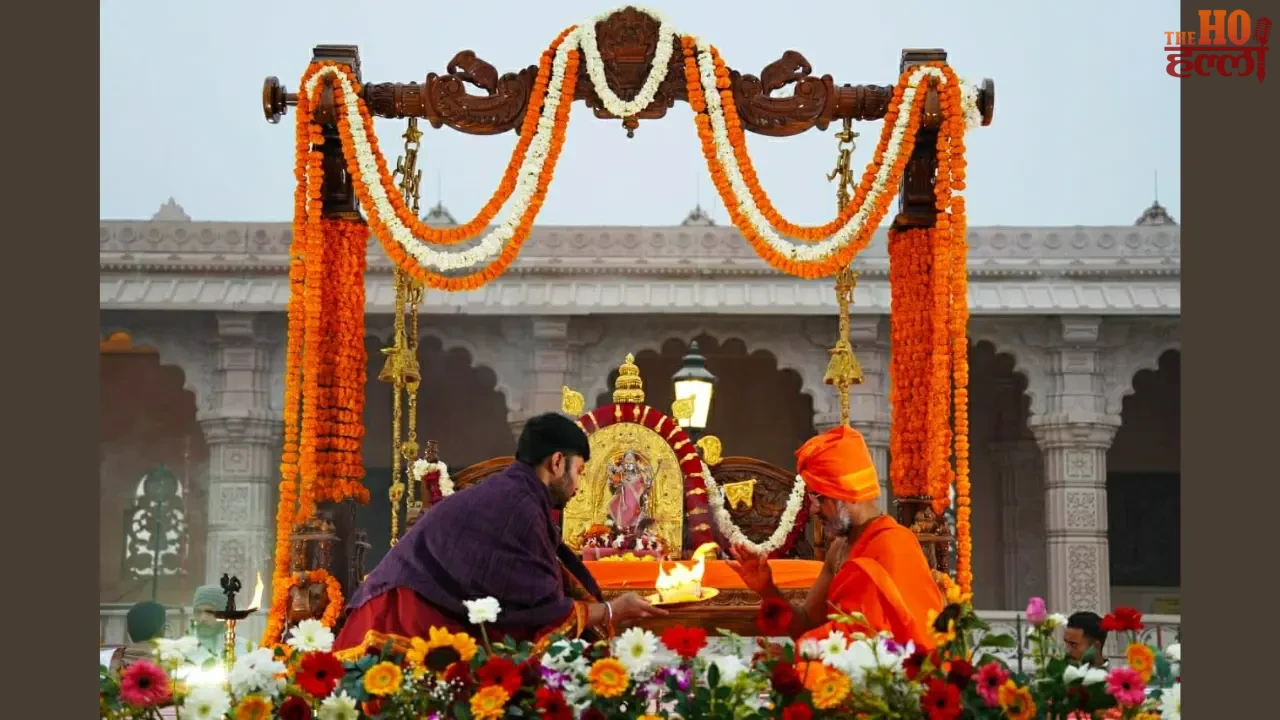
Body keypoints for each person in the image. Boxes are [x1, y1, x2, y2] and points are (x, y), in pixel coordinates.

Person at [336, 412, 665, 653]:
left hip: (403, 615)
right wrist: (613, 610)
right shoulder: (518, 507)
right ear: (556, 463)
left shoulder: (513, 494)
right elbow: (535, 607)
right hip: (395, 626)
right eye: (579, 471)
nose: (579, 486)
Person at [727, 425, 945, 649]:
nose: (813, 510)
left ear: (847, 491)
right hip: (840, 676)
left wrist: (796, 659)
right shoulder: (838, 549)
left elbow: (887, 645)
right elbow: (806, 627)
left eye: (819, 498)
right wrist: (767, 588)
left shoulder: (894, 544)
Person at [105, 601, 169, 672]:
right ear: (161, 630)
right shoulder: (174, 666)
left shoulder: (111, 660)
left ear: (128, 631)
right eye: (165, 627)